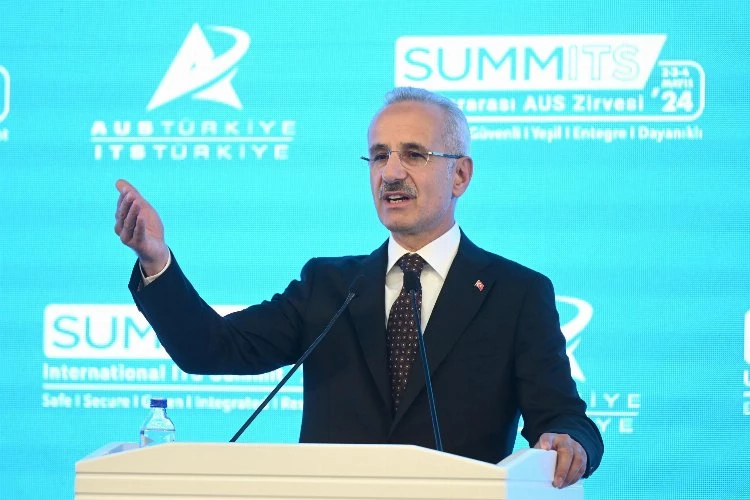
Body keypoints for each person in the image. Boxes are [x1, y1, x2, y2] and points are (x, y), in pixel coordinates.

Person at [115, 87, 603, 488]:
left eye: (414, 154)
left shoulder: (515, 294)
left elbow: (564, 418)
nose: (391, 172)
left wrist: (569, 442)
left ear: (460, 175)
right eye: (379, 156)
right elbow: (211, 347)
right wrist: (156, 260)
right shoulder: (328, 287)